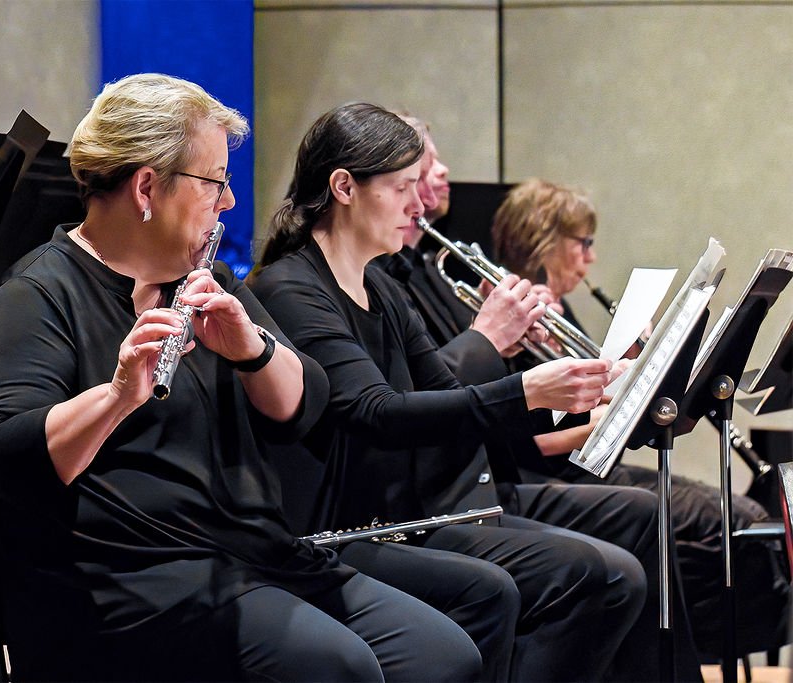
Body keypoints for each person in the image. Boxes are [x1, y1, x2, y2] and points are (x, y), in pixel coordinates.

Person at [0, 74, 481, 682]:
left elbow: (306, 405)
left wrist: (253, 351)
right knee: (337, 667)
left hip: (248, 554)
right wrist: (116, 397)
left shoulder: (202, 280)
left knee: (441, 654)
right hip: (129, 583)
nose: (229, 202)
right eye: (215, 182)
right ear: (147, 187)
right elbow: (7, 460)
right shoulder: (38, 296)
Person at [249, 101, 660, 682]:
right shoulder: (292, 288)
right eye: (402, 188)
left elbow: (448, 397)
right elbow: (376, 413)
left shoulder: (381, 288)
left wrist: (588, 394)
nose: (418, 206)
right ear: (343, 188)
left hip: (404, 515)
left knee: (616, 576)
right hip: (342, 529)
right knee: (541, 582)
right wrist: (527, 391)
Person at [490, 177, 792, 657]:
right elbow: (527, 439)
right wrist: (617, 415)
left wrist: (641, 368)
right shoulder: (506, 317)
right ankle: (687, 652)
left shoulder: (557, 309)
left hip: (590, 469)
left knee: (746, 516)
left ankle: (711, 645)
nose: (591, 257)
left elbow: (592, 400)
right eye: (584, 242)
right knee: (726, 521)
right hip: (554, 477)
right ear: (543, 239)